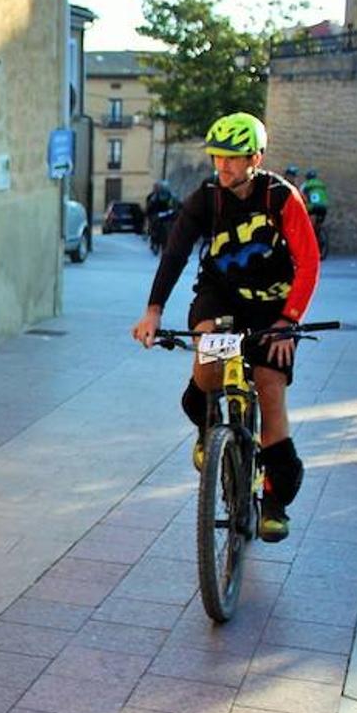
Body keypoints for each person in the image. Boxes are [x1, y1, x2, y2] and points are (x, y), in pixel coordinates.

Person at [132, 112, 321, 543]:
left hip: (273, 305)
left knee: (270, 387)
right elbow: (176, 253)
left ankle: (273, 501)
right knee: (209, 365)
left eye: (233, 159)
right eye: (218, 158)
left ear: (255, 157)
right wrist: (154, 310)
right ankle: (208, 429)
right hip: (220, 295)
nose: (223, 167)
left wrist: (288, 321)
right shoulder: (207, 197)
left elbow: (308, 262)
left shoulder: (280, 197)